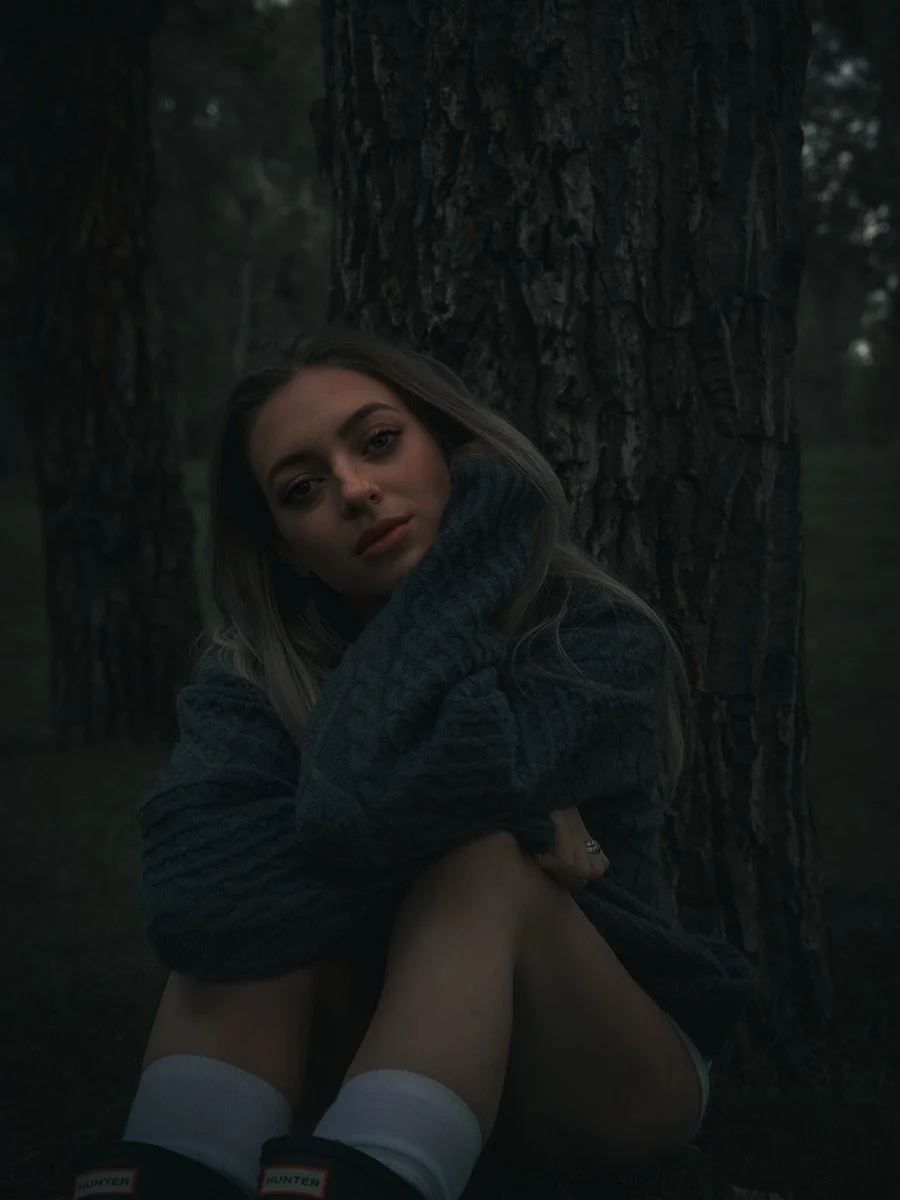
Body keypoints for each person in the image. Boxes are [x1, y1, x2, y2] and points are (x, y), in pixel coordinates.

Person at [70, 327, 755, 1200]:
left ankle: (379, 1176)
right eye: (304, 488)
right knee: (241, 925)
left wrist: (464, 565)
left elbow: (363, 812)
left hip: (605, 1069)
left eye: (381, 442)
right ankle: (181, 1170)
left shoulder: (594, 641)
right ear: (285, 545)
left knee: (479, 861)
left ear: (453, 451)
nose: (357, 491)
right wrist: (507, 808)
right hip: (370, 1062)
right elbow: (192, 904)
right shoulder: (247, 678)